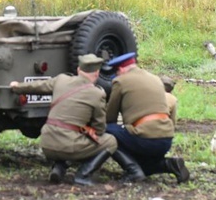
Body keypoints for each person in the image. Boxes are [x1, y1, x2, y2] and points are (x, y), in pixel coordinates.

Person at [10, 54, 117, 186]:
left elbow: (38, 85)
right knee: (110, 142)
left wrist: (17, 87)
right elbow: (100, 129)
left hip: (47, 143)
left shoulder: (61, 80)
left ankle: (59, 168)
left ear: (78, 70)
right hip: (69, 145)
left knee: (69, 135)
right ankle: (83, 175)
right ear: (97, 73)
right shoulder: (97, 94)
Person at [105, 53, 189, 184]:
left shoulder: (120, 81)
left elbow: (110, 118)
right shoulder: (155, 79)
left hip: (145, 138)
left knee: (107, 131)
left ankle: (133, 172)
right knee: (145, 167)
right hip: (166, 139)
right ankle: (170, 164)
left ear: (120, 69)